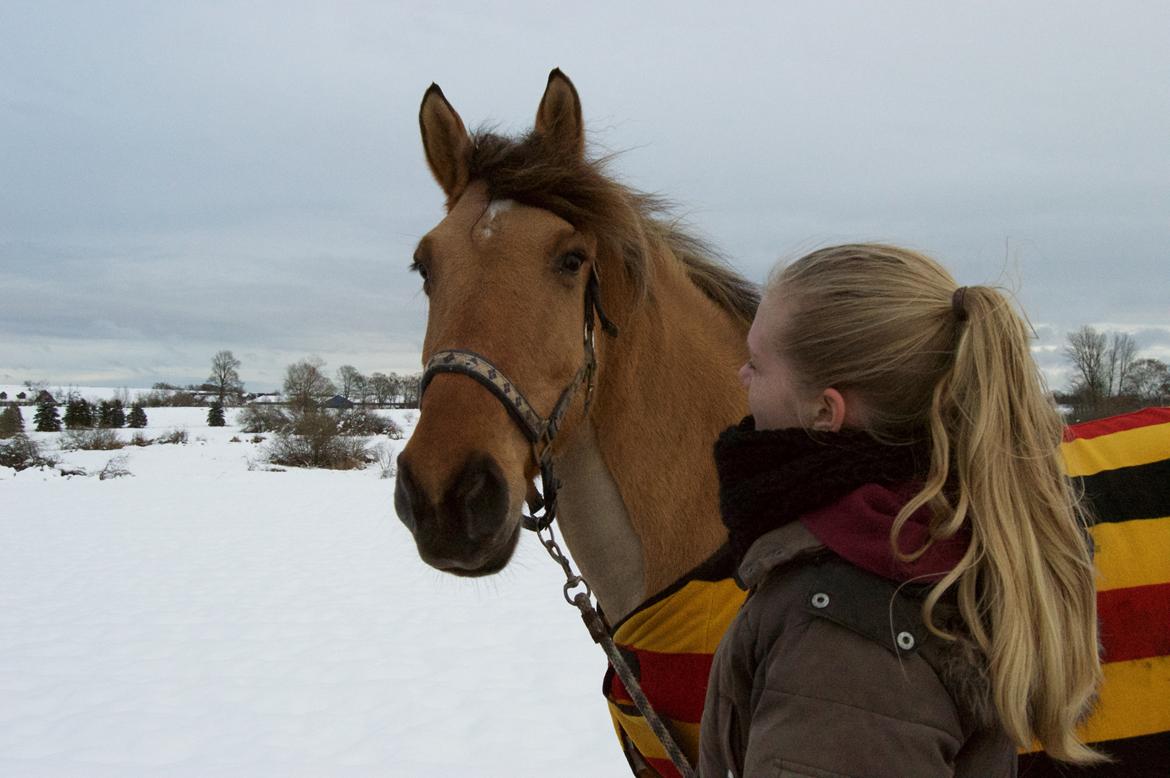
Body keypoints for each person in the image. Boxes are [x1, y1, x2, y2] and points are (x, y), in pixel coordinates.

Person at [698, 244, 1102, 777]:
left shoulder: (845, 632)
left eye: (756, 363)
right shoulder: (921, 536)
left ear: (826, 411)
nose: (741, 377)